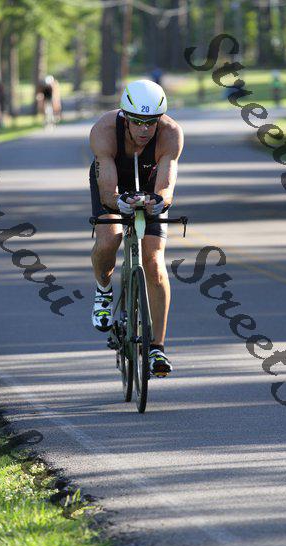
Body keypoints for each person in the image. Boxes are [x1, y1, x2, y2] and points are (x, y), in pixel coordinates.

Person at [89, 79, 184, 377]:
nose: (145, 130)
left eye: (151, 123)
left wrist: (159, 201)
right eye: (138, 122)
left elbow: (166, 185)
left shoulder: (171, 134)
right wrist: (119, 202)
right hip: (113, 181)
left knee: (154, 262)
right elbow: (107, 192)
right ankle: (103, 291)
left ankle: (157, 347)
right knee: (109, 239)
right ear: (125, 117)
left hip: (151, 186)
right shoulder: (104, 130)